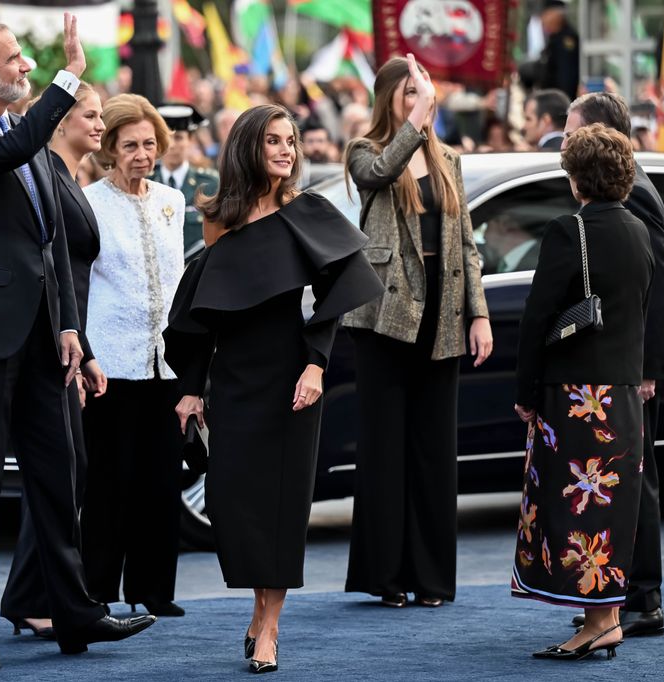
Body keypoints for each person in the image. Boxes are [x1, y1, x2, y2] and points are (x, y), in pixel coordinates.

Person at [0, 15, 155, 669]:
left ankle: (76, 615)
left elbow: (51, 249)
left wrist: (71, 328)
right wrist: (68, 75)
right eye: (16, 59)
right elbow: (12, 147)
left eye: (28, 60)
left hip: (40, 341)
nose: (26, 67)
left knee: (59, 476)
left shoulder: (30, 148)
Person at [165, 104, 383, 674]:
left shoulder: (307, 212)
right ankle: (257, 610)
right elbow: (198, 313)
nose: (287, 151)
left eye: (291, 141)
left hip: (292, 378)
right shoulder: (221, 217)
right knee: (233, 505)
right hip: (233, 381)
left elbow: (340, 294)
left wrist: (315, 366)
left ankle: (270, 626)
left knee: (282, 508)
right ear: (248, 149)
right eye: (273, 142)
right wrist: (190, 389)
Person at [342, 54, 493, 609]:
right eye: (411, 92)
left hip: (442, 312)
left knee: (434, 449)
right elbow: (377, 176)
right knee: (385, 447)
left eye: (424, 93)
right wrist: (416, 122)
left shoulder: (448, 159)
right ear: (391, 99)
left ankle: (431, 578)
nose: (421, 100)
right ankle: (386, 577)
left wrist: (478, 313)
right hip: (383, 317)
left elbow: (468, 246)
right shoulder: (367, 151)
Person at [512, 122, 653, 661]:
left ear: (577, 179)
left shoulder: (569, 232)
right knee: (610, 509)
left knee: (575, 512)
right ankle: (608, 617)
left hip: (575, 396)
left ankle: (596, 623)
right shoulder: (639, 230)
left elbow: (536, 316)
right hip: (620, 396)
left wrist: (525, 388)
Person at [563, 92, 664, 639]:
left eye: (569, 133)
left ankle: (643, 599)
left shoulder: (638, 196)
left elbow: (655, 289)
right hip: (625, 367)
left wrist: (650, 368)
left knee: (637, 480)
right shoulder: (629, 185)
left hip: (631, 370)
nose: (561, 143)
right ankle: (626, 595)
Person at [0, 81, 108, 639]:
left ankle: (25, 595)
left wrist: (82, 345)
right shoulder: (42, 173)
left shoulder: (67, 179)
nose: (99, 124)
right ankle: (31, 596)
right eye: (88, 115)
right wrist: (75, 343)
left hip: (67, 341)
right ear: (59, 121)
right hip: (45, 343)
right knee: (62, 471)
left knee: (67, 471)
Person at [80, 93, 187, 618]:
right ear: (109, 150)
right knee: (109, 483)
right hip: (111, 364)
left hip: (165, 363)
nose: (142, 154)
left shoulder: (174, 201)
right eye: (130, 145)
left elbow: (178, 280)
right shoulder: (90, 203)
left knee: (161, 482)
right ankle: (96, 590)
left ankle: (154, 591)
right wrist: (83, 355)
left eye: (149, 143)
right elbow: (78, 283)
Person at [153, 103, 219, 254]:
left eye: (178, 138)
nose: (172, 145)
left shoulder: (210, 184)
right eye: (166, 137)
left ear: (190, 140)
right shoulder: (146, 182)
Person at [536, 0, 580, 99]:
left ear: (556, 15)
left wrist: (561, 108)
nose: (542, 20)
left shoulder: (567, 40)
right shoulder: (554, 38)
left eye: (545, 15)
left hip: (560, 104)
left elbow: (566, 79)